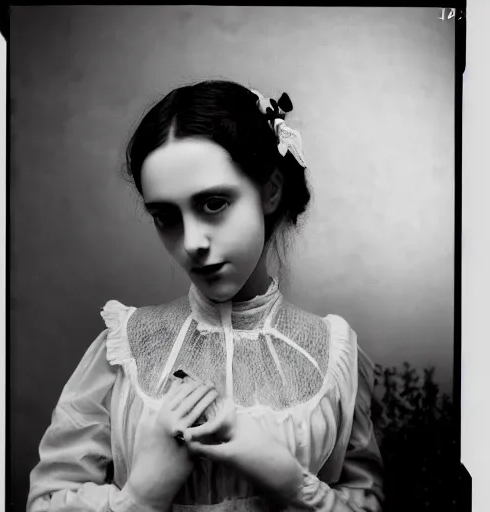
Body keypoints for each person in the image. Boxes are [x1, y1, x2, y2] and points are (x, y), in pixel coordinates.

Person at [27, 79, 384, 512]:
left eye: (213, 204)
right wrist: (142, 496)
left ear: (270, 191)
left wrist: (290, 483)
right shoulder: (122, 352)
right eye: (165, 217)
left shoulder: (333, 356)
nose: (192, 242)